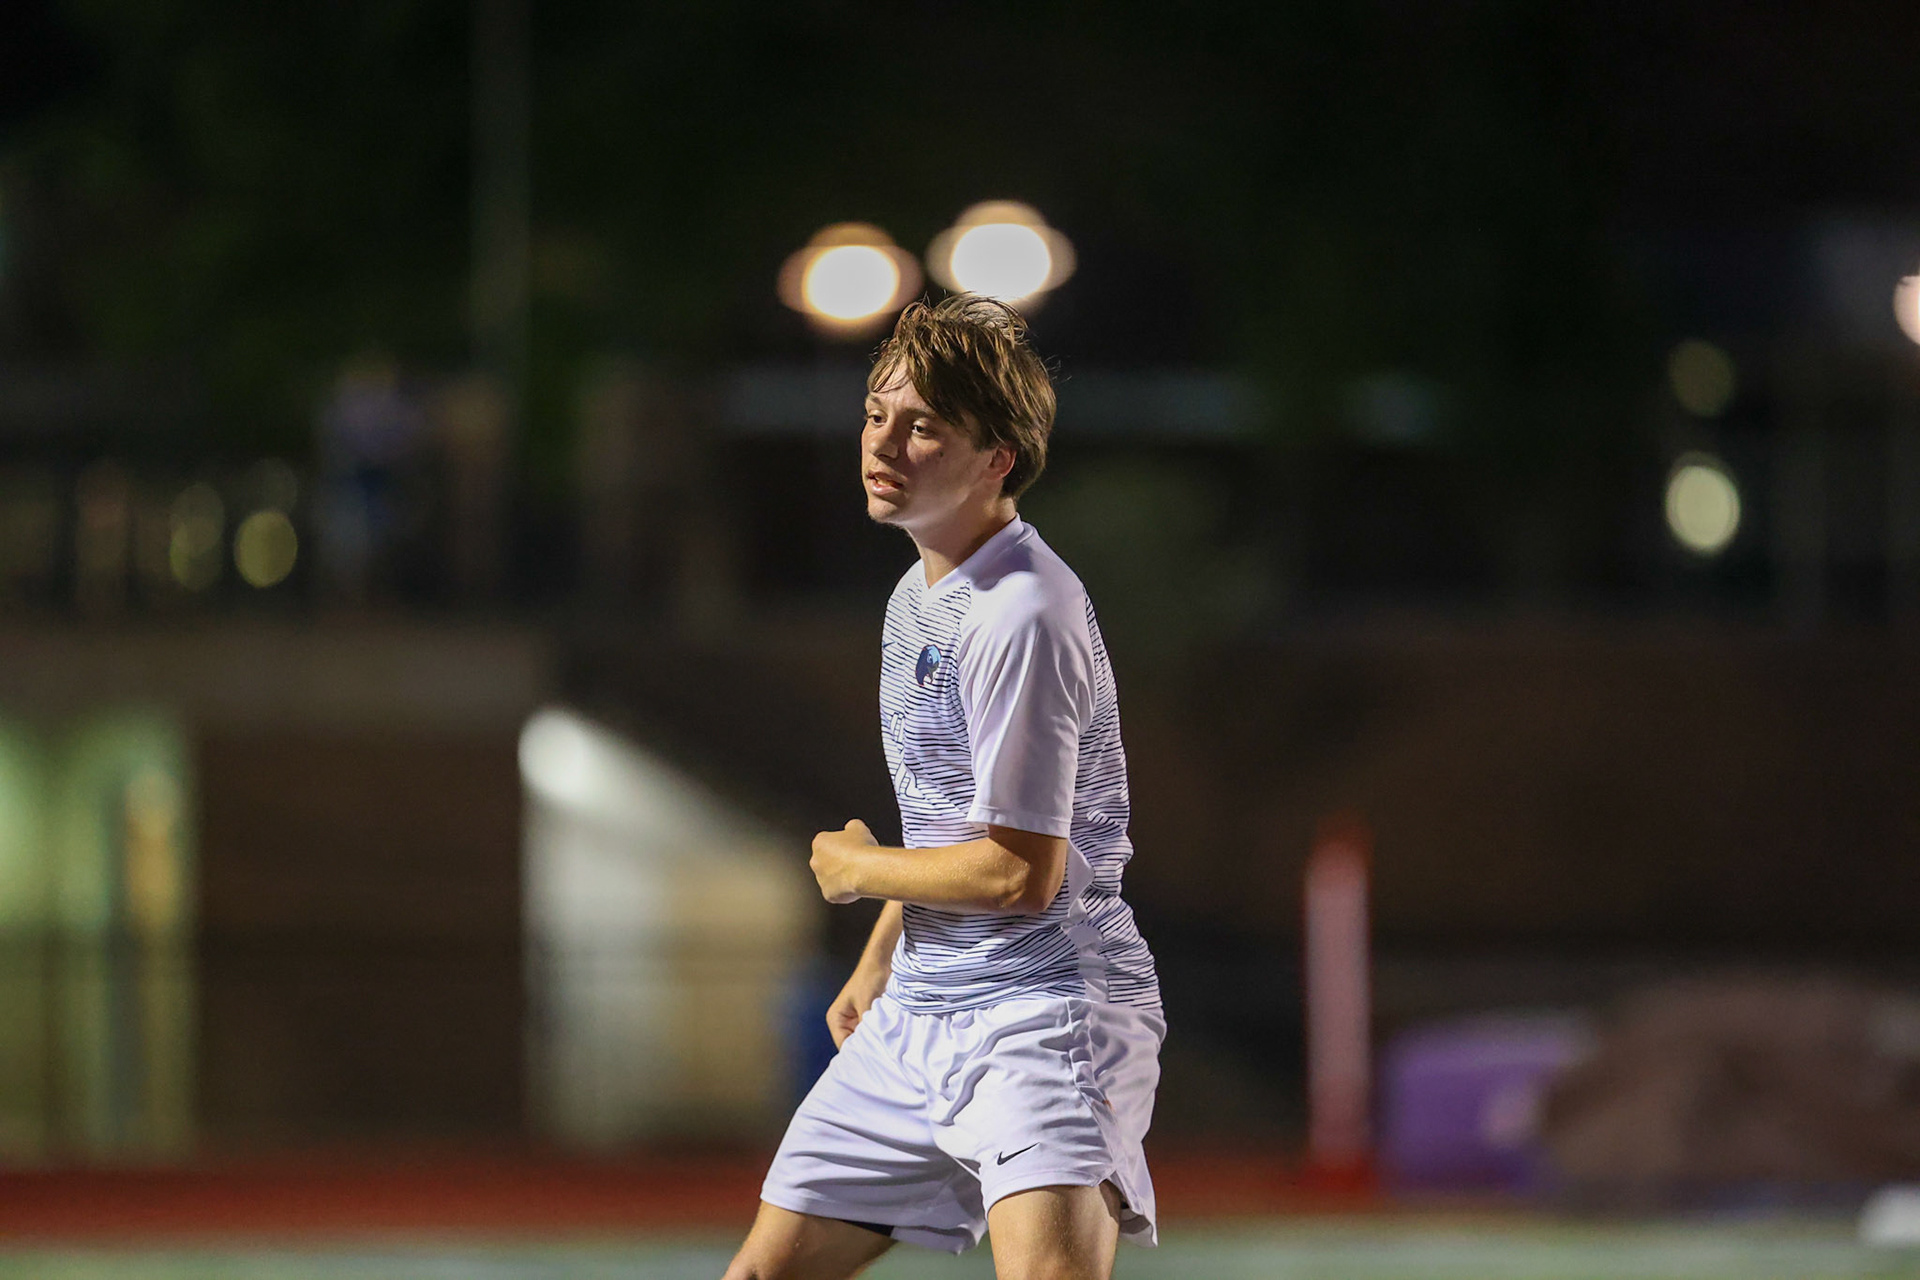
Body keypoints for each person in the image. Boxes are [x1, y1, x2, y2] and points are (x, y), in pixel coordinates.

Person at [722, 295, 1163, 1280]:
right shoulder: (916, 592)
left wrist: (854, 871)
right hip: (926, 1006)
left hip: (1044, 1010)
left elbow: (1019, 874)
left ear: (997, 456)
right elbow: (954, 822)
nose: (885, 442)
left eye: (923, 424)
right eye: (877, 413)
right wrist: (885, 954)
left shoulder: (1021, 612)